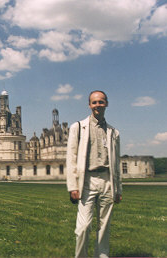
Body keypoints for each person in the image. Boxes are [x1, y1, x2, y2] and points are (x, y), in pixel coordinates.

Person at [66, 90, 122, 258]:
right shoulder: (78, 127)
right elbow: (71, 158)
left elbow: (116, 163)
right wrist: (73, 186)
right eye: (95, 102)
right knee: (83, 227)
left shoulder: (114, 132)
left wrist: (118, 189)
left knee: (104, 226)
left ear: (106, 104)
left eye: (101, 102)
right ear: (90, 105)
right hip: (87, 181)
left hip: (107, 180)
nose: (98, 105)